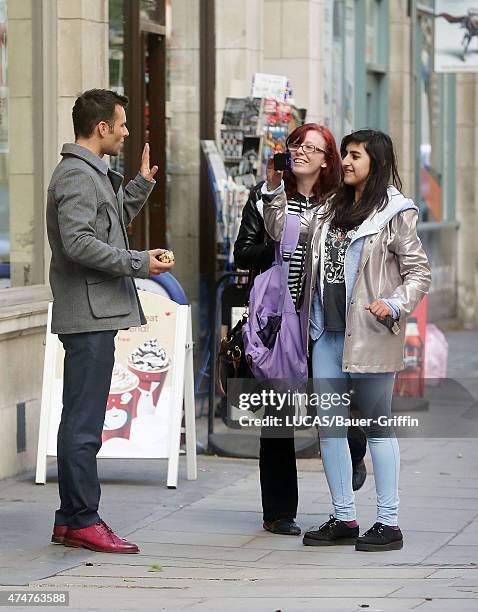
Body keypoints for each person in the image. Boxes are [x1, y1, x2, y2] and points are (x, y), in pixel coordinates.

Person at [264, 129, 431, 551]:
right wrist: (272, 187)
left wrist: (392, 304)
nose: (348, 162)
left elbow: (418, 273)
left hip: (371, 335)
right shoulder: (329, 207)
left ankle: (389, 522)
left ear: (376, 161)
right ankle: (344, 517)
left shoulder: (396, 211)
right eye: (348, 155)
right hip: (325, 334)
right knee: (332, 430)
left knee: (377, 427)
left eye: (356, 156)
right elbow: (281, 231)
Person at [46, 89, 173, 553]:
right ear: (101, 128)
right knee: (83, 423)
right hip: (88, 316)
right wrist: (139, 262)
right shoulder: (77, 176)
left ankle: (68, 519)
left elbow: (107, 226)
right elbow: (79, 243)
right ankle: (83, 519)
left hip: (94, 313)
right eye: (120, 124)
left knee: (81, 419)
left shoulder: (89, 174)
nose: (124, 131)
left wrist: (138, 185)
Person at [234, 123, 368, 537]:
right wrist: (279, 248)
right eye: (296, 145)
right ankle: (278, 512)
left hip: (325, 321)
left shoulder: (339, 204)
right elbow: (243, 252)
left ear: (327, 158)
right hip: (277, 321)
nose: (301, 153)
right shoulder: (266, 195)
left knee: (344, 406)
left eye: (311, 148)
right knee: (277, 417)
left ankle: (354, 450)